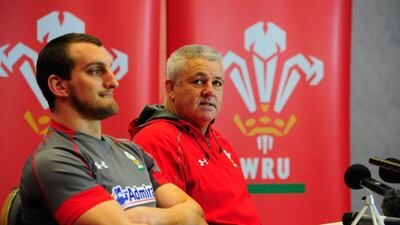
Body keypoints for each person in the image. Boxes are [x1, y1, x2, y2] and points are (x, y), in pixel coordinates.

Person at [19, 33, 207, 225]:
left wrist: (152, 217)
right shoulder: (54, 160)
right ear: (59, 86)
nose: (113, 81)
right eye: (94, 71)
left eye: (110, 68)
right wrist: (177, 218)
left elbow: (197, 216)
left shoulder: (131, 150)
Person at [129, 45, 261, 225]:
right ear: (171, 88)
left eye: (217, 83)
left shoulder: (220, 139)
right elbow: (172, 220)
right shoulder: (157, 139)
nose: (210, 91)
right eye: (198, 81)